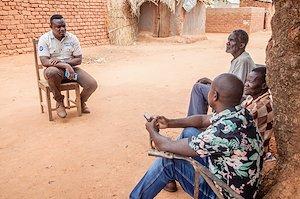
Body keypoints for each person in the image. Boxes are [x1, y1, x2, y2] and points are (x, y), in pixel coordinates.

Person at [130, 73, 263, 199]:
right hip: (233, 181)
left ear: (214, 96)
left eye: (210, 89)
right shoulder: (240, 113)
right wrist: (169, 122)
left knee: (168, 162)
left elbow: (165, 145)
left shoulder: (220, 134)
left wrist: (152, 130)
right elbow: (202, 120)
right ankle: (168, 180)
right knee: (189, 132)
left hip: (224, 194)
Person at [38, 14, 98, 118]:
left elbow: (79, 59)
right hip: (55, 72)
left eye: (64, 26)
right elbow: (44, 61)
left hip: (71, 70)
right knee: (51, 72)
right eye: (58, 27)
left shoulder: (72, 38)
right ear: (51, 26)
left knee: (92, 84)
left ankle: (80, 101)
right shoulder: (44, 39)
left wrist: (67, 65)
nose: (62, 29)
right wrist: (65, 65)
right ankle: (59, 102)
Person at [188, 29, 256, 116]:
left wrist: (212, 84)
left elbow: (233, 89)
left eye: (231, 41)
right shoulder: (240, 58)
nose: (227, 43)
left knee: (198, 88)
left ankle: (194, 123)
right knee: (203, 86)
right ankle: (197, 120)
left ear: (241, 45)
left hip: (237, 101)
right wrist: (210, 82)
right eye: (228, 40)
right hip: (234, 96)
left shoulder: (242, 60)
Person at [243, 67, 274, 159]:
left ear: (264, 85)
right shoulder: (254, 97)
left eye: (251, 82)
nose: (246, 84)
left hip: (253, 153)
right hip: (253, 147)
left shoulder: (259, 107)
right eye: (246, 80)